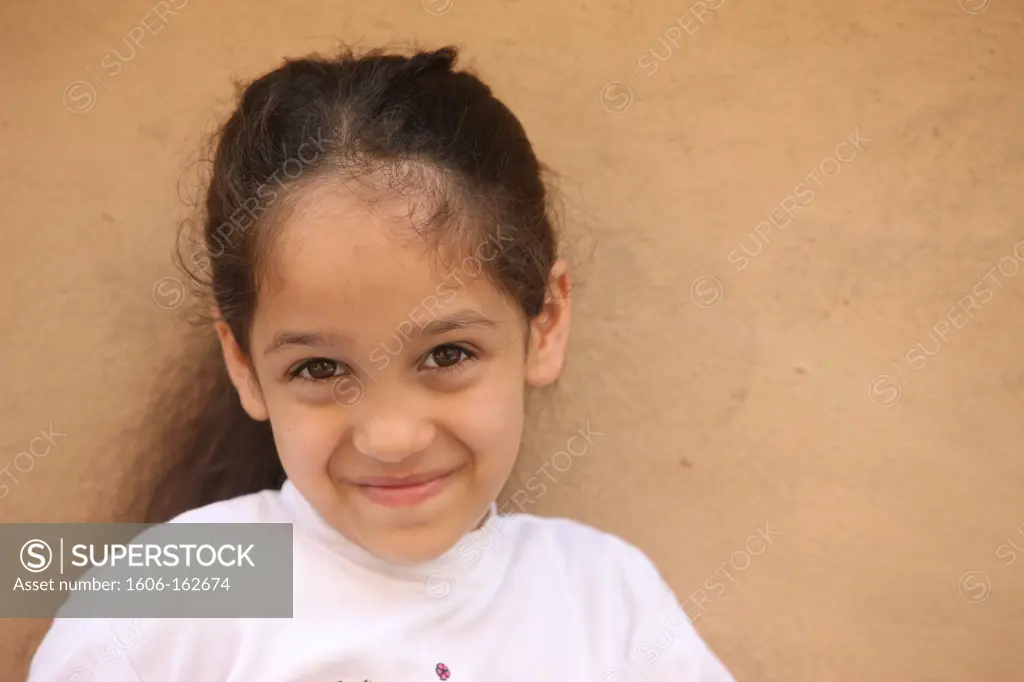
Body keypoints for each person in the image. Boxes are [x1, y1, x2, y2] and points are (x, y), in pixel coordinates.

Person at [27, 45, 735, 682]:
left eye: (448, 354)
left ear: (544, 324)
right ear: (244, 365)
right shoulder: (172, 590)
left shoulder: (603, 596)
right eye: (319, 369)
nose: (391, 437)